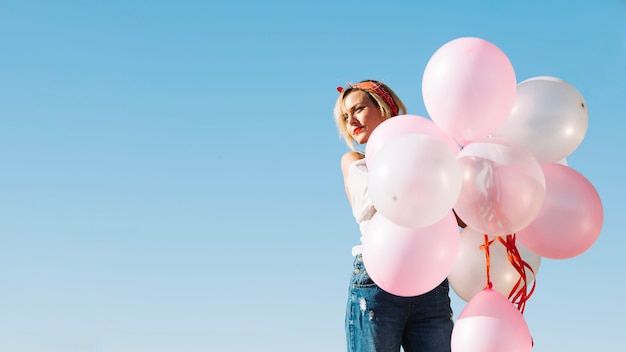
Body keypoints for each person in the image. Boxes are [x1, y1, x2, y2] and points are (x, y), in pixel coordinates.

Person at [334, 80, 456, 352]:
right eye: (346, 116)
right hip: (377, 279)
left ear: (384, 108)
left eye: (359, 109)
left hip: (430, 281)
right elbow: (375, 202)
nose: (351, 119)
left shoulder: (427, 153)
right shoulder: (354, 161)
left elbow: (456, 214)